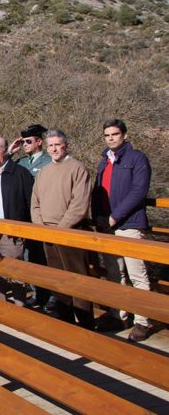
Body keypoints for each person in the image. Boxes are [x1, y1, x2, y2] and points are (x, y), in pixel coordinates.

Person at [92, 119, 153, 341]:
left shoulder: (137, 159)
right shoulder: (104, 162)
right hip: (107, 226)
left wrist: (115, 216)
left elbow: (139, 191)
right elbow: (98, 192)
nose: (111, 138)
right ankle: (118, 315)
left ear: (124, 135)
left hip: (129, 224)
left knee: (137, 274)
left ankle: (142, 321)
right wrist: (99, 219)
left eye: (115, 134)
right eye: (107, 135)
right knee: (114, 273)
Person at [31, 130, 94, 330]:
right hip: (48, 233)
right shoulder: (45, 172)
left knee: (78, 279)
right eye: (50, 145)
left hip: (71, 232)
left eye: (57, 145)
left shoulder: (77, 168)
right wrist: (41, 227)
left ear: (65, 145)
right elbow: (35, 202)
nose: (54, 149)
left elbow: (79, 204)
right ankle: (65, 321)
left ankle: (85, 324)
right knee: (57, 280)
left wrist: (61, 229)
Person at [0, 137, 34, 320]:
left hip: (11, 228)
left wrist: (22, 227)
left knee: (15, 268)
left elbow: (29, 202)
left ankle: (20, 308)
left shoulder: (20, 173)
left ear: (6, 151)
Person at [8, 124, 53, 309]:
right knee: (28, 257)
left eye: (28, 141)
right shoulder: (21, 162)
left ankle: (52, 298)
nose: (25, 144)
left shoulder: (49, 161)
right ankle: (37, 293)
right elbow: (2, 167)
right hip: (26, 217)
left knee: (46, 258)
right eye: (23, 141)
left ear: (39, 141)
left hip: (44, 215)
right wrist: (10, 152)